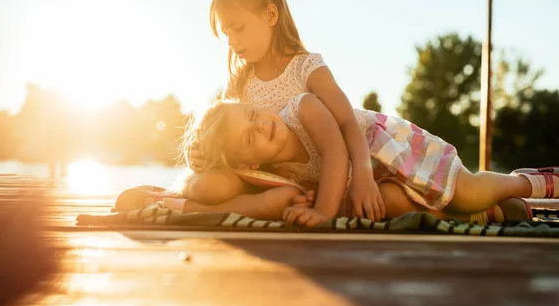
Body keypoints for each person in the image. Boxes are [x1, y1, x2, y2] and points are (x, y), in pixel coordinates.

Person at [184, 0, 385, 221]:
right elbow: (230, 140)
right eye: (226, 33)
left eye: (239, 28)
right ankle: (197, 207)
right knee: (209, 184)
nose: (232, 42)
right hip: (308, 182)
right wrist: (201, 153)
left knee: (389, 200)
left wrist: (363, 176)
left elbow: (348, 123)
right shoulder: (239, 84)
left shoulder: (306, 68)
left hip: (365, 155)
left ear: (270, 15)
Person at [180, 93, 554, 227]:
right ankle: (493, 212)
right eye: (249, 137)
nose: (261, 125)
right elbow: (210, 186)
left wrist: (325, 211)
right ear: (246, 163)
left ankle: (531, 182)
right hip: (376, 181)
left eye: (251, 114)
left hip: (387, 148)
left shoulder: (302, 108)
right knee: (391, 205)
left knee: (466, 190)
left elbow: (335, 151)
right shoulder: (275, 172)